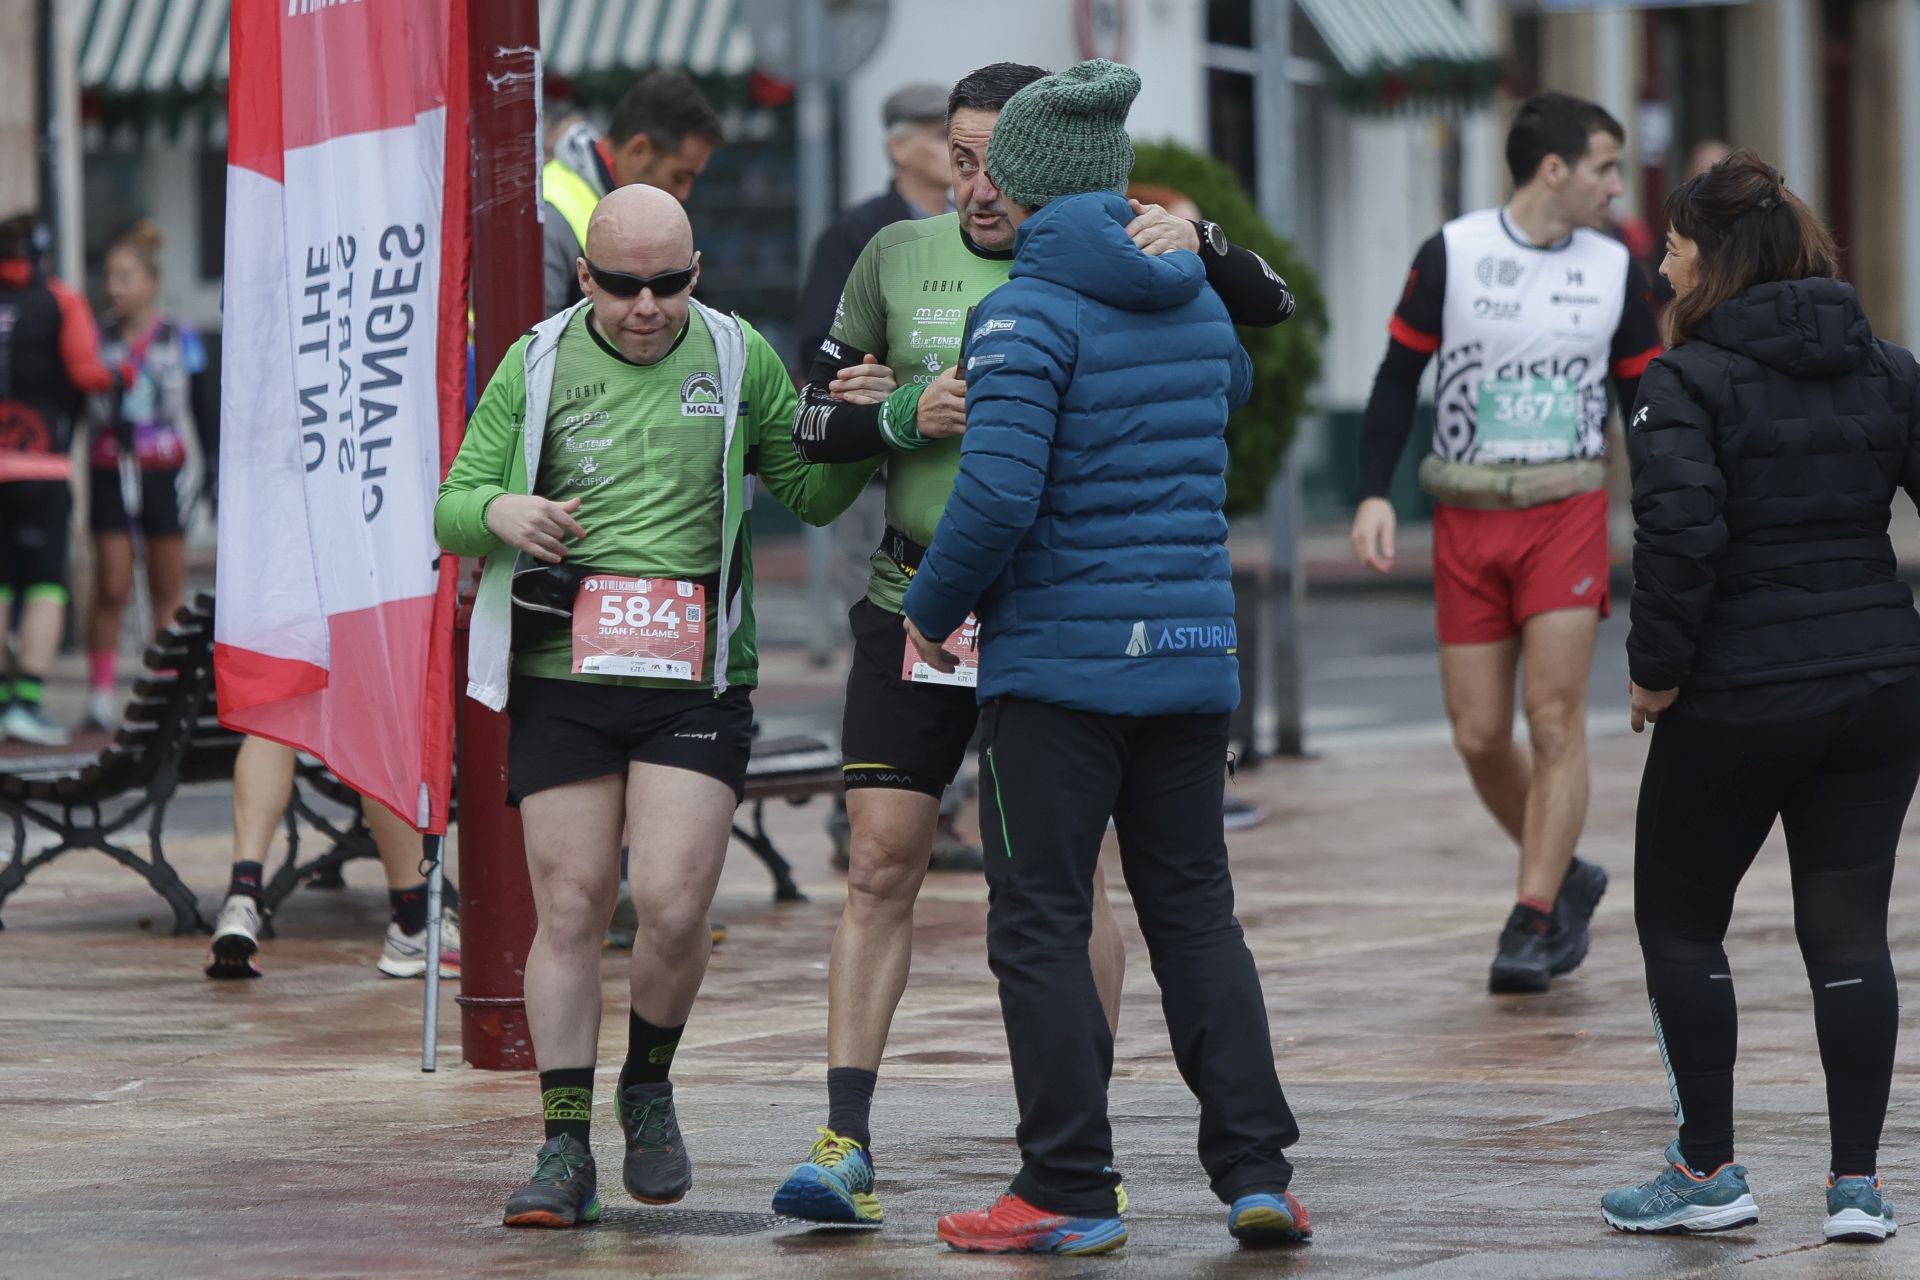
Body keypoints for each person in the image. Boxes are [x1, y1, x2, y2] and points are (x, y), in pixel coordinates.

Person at [770, 60, 1297, 1228]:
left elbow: (1000, 498)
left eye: (992, 165)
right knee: (1194, 911)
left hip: (1050, 653)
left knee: (1043, 916)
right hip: (1189, 653)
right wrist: (893, 413)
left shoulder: (1027, 311)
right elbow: (1238, 373)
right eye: (958, 161)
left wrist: (927, 605)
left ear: (1032, 178)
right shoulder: (1190, 302)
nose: (975, 185)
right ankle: (1258, 1174)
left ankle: (1066, 1179)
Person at [435, 185, 869, 1229]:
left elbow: (810, 497)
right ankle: (563, 1143)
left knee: (673, 905)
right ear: (585, 277)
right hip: (564, 672)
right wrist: (503, 509)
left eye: (669, 284)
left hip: (694, 680)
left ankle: (648, 1081)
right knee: (573, 905)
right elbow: (451, 507)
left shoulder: (736, 355)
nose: (646, 307)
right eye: (623, 286)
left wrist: (863, 427)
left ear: (697, 270)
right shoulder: (537, 361)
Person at [1600, 150, 1920, 1244]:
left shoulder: (1682, 381)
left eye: (1675, 251)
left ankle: (1708, 1168)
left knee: (1679, 920)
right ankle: (1856, 1187)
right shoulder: (1890, 369)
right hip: (1877, 689)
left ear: (1716, 261)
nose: (1663, 272)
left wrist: (1654, 673)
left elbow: (1679, 542)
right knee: (1850, 931)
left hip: (1736, 694)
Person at [1348, 92, 1661, 994]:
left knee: (1553, 718)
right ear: (1554, 170)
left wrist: (1666, 513)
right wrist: (1372, 493)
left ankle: (1533, 915)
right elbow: (1396, 376)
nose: (1616, 185)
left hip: (1566, 509)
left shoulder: (1616, 267)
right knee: (1481, 734)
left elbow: (1642, 402)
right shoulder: (1452, 252)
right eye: (1604, 167)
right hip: (1467, 513)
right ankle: (1565, 870)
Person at [85, 221, 213, 730]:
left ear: (151, 281)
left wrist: (211, 469)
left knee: (167, 583)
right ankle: (100, 694)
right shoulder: (94, 336)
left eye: (125, 277)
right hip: (110, 465)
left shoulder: (180, 336)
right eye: (109, 277)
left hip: (164, 469)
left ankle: (165, 690)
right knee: (113, 581)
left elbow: (203, 406)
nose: (114, 288)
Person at [205, 736, 462, 981]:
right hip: (377, 751)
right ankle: (413, 923)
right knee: (390, 723)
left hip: (316, 749)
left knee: (272, 721)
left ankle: (242, 899)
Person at [0, 213, 117, 746]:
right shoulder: (62, 301)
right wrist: (121, 375)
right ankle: (26, 701)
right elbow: (87, 373)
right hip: (42, 468)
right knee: (46, 583)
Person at [793, 82, 953, 370]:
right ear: (898, 148)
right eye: (942, 136)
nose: (957, 146)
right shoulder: (853, 233)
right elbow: (819, 342)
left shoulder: (981, 223)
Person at [542, 72, 724, 315]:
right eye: (679, 177)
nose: (684, 194)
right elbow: (533, 335)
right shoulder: (552, 216)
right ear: (639, 151)